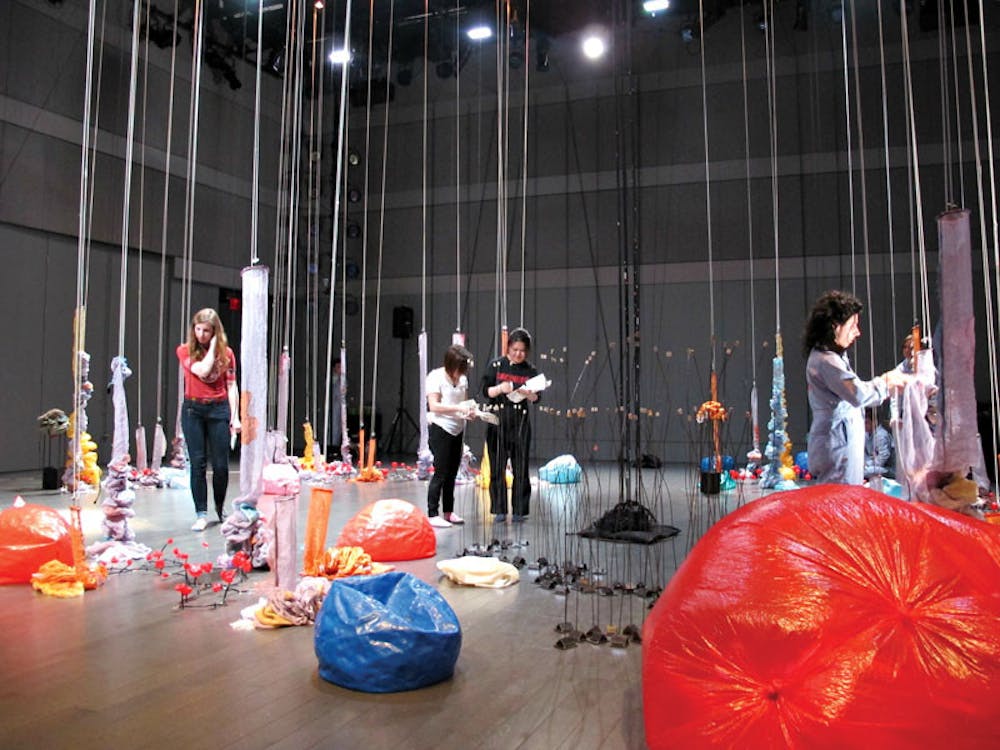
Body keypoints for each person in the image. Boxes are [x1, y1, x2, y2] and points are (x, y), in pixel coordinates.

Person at [803, 291, 908, 485]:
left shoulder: (833, 357)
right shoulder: (826, 361)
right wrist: (885, 382)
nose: (857, 332)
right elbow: (857, 394)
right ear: (835, 326)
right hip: (837, 446)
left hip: (840, 442)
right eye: (852, 326)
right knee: (840, 496)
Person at [176, 308, 240, 531]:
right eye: (198, 329)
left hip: (218, 409)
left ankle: (220, 507)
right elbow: (203, 371)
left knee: (221, 466)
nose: (201, 335)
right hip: (193, 410)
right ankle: (201, 513)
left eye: (206, 331)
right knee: (198, 463)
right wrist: (213, 347)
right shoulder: (185, 350)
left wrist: (235, 416)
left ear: (215, 332)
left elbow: (231, 385)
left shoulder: (227, 354)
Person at [481, 328, 540, 522]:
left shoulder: (530, 370)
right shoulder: (496, 365)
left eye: (522, 351)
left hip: (520, 423)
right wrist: (500, 388)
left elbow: (537, 397)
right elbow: (484, 391)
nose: (518, 354)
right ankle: (499, 509)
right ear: (508, 348)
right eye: (515, 349)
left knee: (521, 468)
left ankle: (519, 510)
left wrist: (529, 394)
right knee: (497, 467)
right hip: (497, 422)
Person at [425, 345, 476, 529]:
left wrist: (469, 411)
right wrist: (457, 408)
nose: (461, 374)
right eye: (459, 369)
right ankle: (432, 513)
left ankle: (448, 511)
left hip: (457, 429)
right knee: (441, 472)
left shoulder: (462, 380)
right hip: (441, 428)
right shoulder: (435, 377)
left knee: (452, 472)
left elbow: (465, 402)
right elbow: (434, 406)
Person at [863, 410, 894, 479]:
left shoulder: (881, 435)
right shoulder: (866, 434)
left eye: (867, 423)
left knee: (864, 472)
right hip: (871, 462)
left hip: (885, 467)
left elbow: (883, 457)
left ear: (874, 422)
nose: (864, 425)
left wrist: (868, 464)